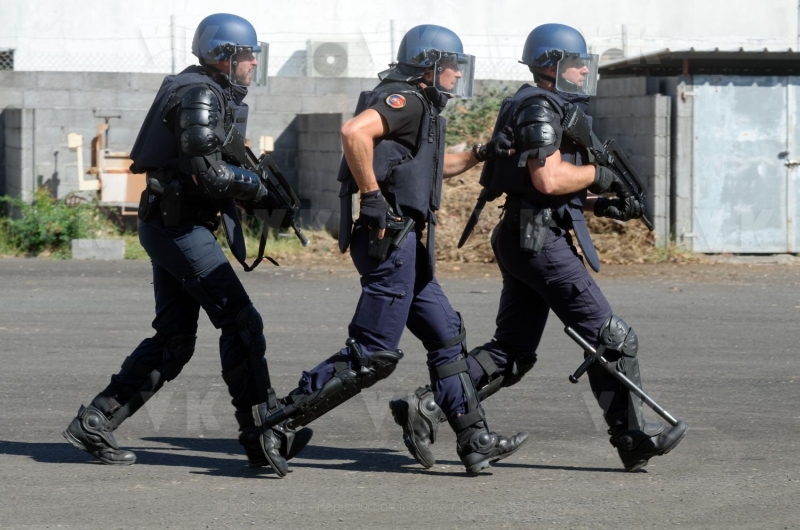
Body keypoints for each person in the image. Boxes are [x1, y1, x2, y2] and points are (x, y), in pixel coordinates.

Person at [390, 23, 688, 473]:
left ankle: (430, 406)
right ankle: (631, 438)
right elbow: (546, 179)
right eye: (576, 61)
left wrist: (602, 202)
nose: (584, 69)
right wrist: (597, 176)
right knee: (613, 338)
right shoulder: (539, 106)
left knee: (513, 351)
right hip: (538, 242)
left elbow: (548, 188)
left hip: (530, 235)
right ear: (550, 64)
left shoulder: (548, 105)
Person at [256, 24, 528, 475]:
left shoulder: (421, 111)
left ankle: (474, 439)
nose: (458, 75)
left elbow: (435, 169)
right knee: (374, 352)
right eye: (451, 66)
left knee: (446, 334)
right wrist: (372, 195)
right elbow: (354, 133)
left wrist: (483, 152)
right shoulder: (405, 100)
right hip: (389, 241)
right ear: (428, 66)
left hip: (404, 243)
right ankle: (279, 424)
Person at [62, 13, 311, 478]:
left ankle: (95, 421)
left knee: (175, 340)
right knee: (241, 322)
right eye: (247, 54)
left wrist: (261, 191)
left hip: (175, 224)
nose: (254, 62)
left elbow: (210, 165)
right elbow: (208, 173)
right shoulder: (198, 92)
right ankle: (262, 434)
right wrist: (255, 188)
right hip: (177, 229)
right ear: (224, 55)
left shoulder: (211, 91)